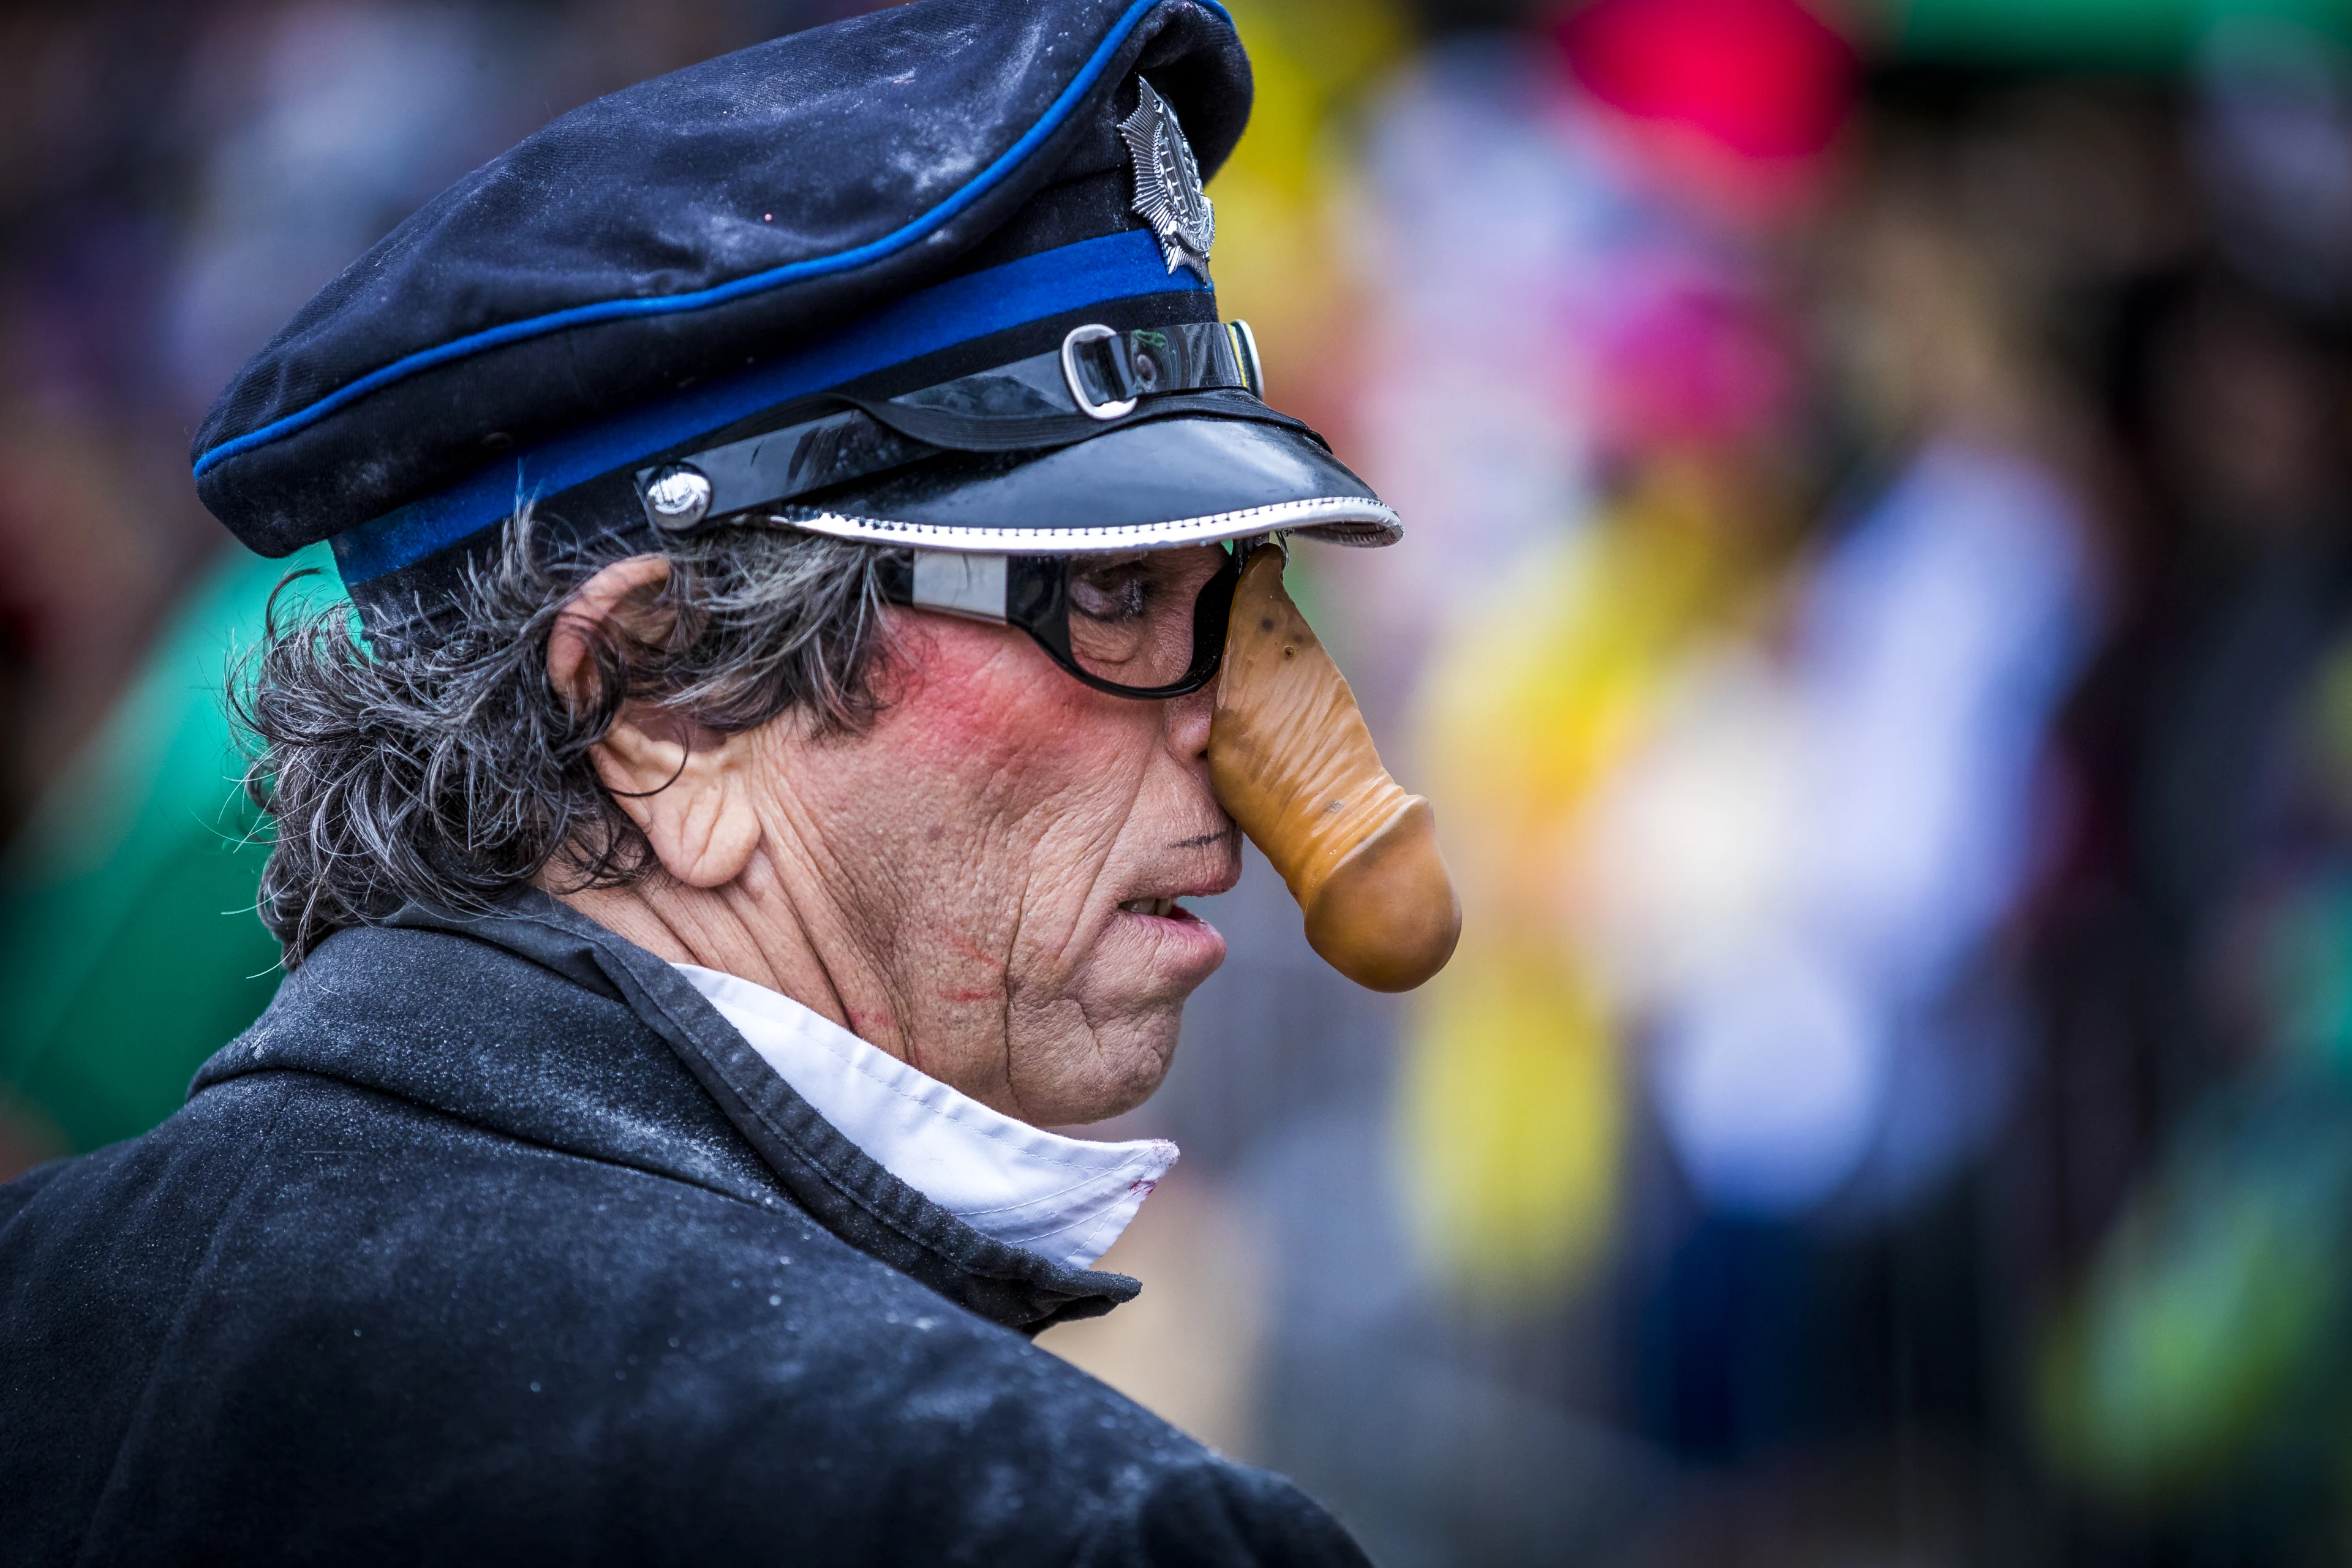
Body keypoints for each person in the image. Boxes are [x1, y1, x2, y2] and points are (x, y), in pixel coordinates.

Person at [0, 0, 1458, 1560]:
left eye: (1228, 605)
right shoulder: (1061, 1524)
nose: (1232, 740)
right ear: (653, 699)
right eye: (1104, 596)